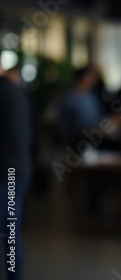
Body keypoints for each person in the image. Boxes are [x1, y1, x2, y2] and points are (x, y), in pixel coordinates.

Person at [0, 49, 32, 280]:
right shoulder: (15, 92)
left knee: (9, 233)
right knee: (11, 233)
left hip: (8, 173)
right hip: (18, 170)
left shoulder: (4, 94)